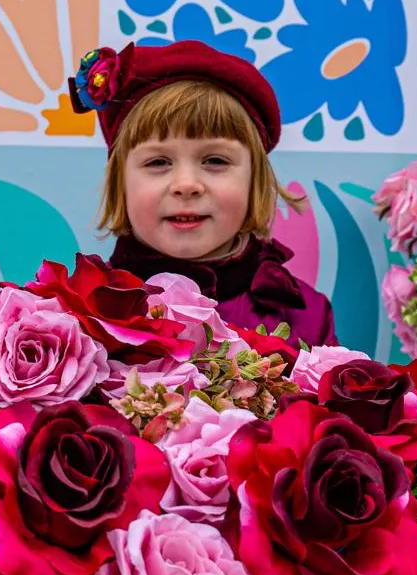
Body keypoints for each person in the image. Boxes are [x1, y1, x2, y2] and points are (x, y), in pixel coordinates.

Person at [68, 40, 339, 348]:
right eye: (158, 162)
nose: (186, 184)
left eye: (215, 161)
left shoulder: (305, 315)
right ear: (121, 183)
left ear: (256, 180)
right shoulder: (78, 316)